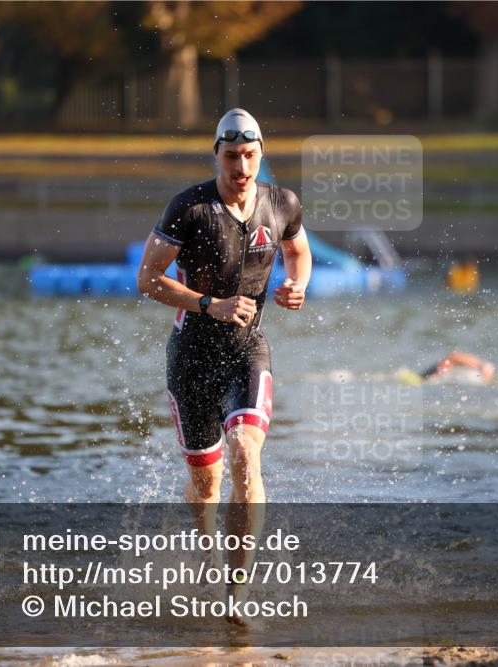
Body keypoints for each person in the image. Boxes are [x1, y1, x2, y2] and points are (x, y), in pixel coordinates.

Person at [136, 108, 312, 627]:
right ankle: (206, 556)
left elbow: (298, 251)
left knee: (244, 452)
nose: (241, 167)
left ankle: (236, 592)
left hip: (246, 350)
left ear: (261, 156)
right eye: (232, 156)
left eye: (250, 156)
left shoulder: (282, 203)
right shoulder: (189, 208)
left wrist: (297, 284)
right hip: (191, 358)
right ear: (217, 155)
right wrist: (209, 304)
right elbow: (148, 278)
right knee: (207, 485)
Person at [396, 351, 496, 385]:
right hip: (437, 372)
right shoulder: (479, 368)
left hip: (440, 374)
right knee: (419, 379)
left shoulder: (481, 377)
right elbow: (453, 356)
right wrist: (445, 365)